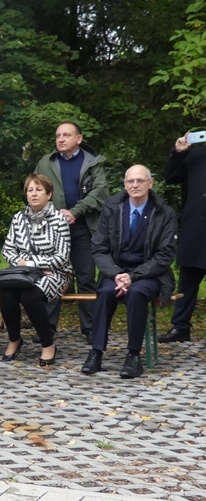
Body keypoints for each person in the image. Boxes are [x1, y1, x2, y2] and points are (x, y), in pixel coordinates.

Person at [81, 165, 177, 379]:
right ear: (124, 184)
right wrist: (116, 274)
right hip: (115, 271)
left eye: (140, 181)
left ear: (150, 183)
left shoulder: (164, 213)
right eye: (130, 181)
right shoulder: (112, 207)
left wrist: (133, 277)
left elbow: (164, 255)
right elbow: (99, 247)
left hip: (149, 274)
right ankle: (96, 352)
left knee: (136, 293)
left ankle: (133, 355)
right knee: (105, 293)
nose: (135, 185)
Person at [35, 121, 109, 344]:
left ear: (79, 139)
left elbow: (100, 192)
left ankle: (90, 328)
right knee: (50, 275)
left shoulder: (92, 163)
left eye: (66, 135)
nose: (60, 139)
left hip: (83, 228)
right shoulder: (45, 163)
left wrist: (76, 211)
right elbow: (35, 190)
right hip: (52, 230)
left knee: (86, 277)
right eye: (58, 135)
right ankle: (46, 328)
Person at [0, 174, 72, 366]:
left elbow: (62, 257)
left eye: (39, 190)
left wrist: (31, 264)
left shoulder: (59, 220)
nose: (34, 194)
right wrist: (25, 265)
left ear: (49, 195)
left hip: (56, 273)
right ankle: (15, 339)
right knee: (7, 292)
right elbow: (7, 249)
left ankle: (48, 343)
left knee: (30, 295)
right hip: (24, 273)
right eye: (30, 190)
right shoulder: (18, 218)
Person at [159, 133, 206, 343]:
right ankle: (180, 327)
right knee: (188, 279)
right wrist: (178, 152)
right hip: (197, 226)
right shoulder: (195, 155)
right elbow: (170, 177)